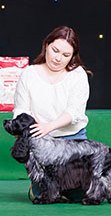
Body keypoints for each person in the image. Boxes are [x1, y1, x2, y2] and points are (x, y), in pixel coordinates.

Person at [13, 26, 90, 202]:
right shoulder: (28, 74)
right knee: (44, 195)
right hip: (41, 141)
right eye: (55, 50)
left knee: (80, 195)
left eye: (66, 55)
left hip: (72, 140)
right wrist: (32, 128)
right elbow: (21, 109)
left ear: (72, 56)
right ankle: (37, 185)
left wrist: (49, 126)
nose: (58, 58)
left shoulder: (78, 75)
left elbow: (75, 112)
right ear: (46, 45)